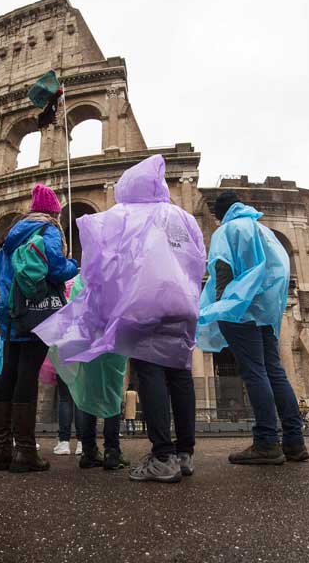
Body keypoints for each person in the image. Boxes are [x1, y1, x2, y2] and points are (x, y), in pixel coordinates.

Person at [34, 155, 206, 483]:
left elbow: (99, 260)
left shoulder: (123, 214)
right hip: (184, 303)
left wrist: (100, 304)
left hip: (144, 304)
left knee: (150, 372)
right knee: (180, 375)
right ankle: (185, 453)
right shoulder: (183, 217)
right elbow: (199, 258)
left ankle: (163, 457)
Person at [197, 190, 308, 465]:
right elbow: (281, 271)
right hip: (267, 312)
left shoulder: (227, 230)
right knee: (275, 372)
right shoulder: (263, 230)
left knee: (254, 372)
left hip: (240, 311)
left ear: (219, 213)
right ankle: (294, 442)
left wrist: (223, 305)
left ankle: (267, 442)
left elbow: (222, 268)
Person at [0, 184, 78, 473]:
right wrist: (73, 265)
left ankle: (1, 449)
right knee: (27, 373)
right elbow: (55, 268)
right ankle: (25, 451)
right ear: (53, 211)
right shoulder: (48, 230)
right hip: (37, 309)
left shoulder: (9, 238)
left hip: (10, 310)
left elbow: (1, 272)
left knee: (9, 372)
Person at [53, 377, 82, 456]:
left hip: (64, 365)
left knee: (65, 399)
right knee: (80, 399)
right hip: (82, 365)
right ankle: (82, 443)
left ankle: (64, 442)